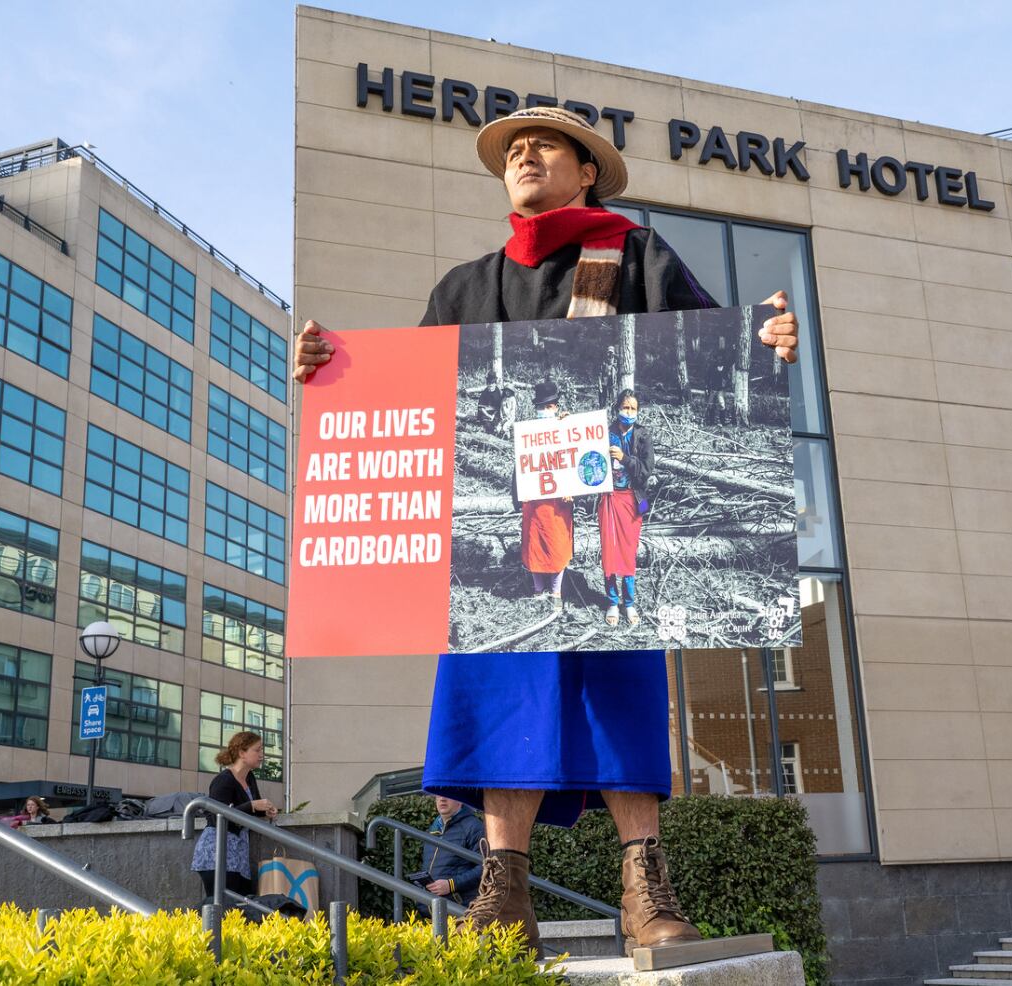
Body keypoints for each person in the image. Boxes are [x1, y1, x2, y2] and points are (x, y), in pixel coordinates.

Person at [292, 105, 798, 955]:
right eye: (512, 152)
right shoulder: (462, 287)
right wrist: (331, 372)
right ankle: (504, 893)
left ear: (586, 171)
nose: (523, 156)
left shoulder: (636, 257)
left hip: (612, 506)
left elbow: (719, 343)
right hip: (522, 508)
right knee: (495, 694)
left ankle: (644, 887)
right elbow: (408, 399)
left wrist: (769, 337)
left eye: (544, 146)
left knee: (620, 688)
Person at [190, 730, 278, 901]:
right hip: (216, 853)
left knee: (240, 907)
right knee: (222, 906)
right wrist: (252, 805)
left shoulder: (249, 777)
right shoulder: (223, 780)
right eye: (257, 750)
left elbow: (247, 810)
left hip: (237, 854)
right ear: (242, 753)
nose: (262, 755)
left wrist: (264, 810)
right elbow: (217, 816)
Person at [519, 380, 573, 613]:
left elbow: (573, 457)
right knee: (534, 544)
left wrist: (572, 489)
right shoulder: (528, 434)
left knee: (557, 545)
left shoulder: (565, 426)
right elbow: (521, 464)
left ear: (556, 407)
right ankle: (538, 591)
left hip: (558, 500)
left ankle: (556, 591)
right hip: (534, 498)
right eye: (541, 407)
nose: (545, 410)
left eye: (549, 406)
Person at [601, 389, 653, 628]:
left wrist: (623, 458)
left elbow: (645, 471)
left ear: (638, 411)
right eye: (625, 407)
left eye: (633, 408)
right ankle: (612, 602)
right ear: (617, 408)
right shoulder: (605, 432)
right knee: (610, 550)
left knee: (629, 551)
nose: (629, 412)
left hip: (634, 500)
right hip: (609, 499)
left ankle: (629, 602)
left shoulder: (643, 436)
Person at [420, 795, 486, 906]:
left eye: (448, 794)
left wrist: (451, 885)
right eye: (438, 794)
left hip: (461, 910)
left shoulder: (473, 827)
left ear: (460, 800)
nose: (442, 799)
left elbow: (486, 867)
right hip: (432, 909)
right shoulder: (432, 830)